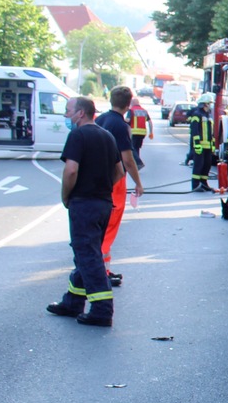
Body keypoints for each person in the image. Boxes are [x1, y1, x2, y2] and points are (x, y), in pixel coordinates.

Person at [47, 96, 123, 328]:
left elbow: (71, 171)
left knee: (88, 256)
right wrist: (101, 187)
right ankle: (73, 302)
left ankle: (102, 310)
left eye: (68, 111)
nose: (66, 116)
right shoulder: (106, 135)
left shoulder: (78, 135)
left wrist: (66, 196)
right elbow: (119, 171)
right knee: (86, 253)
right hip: (102, 204)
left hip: (84, 203)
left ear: (80, 113)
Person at [96, 86, 144, 287]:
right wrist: (138, 183)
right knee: (111, 224)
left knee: (100, 226)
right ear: (127, 105)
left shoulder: (99, 120)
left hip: (97, 178)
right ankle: (101, 271)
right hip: (114, 180)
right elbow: (127, 159)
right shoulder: (120, 125)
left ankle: (103, 269)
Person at [189, 92, 217, 192]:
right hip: (199, 146)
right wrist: (196, 144)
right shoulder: (197, 114)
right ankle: (195, 185)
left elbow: (211, 132)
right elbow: (194, 131)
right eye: (210, 103)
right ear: (205, 104)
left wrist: (213, 145)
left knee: (207, 165)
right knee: (198, 165)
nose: (211, 105)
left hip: (208, 146)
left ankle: (204, 183)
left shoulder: (209, 115)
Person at [126, 97, 153, 168]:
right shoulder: (144, 111)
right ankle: (137, 165)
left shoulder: (131, 110)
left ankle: (139, 162)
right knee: (137, 148)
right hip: (142, 133)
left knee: (131, 148)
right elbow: (150, 122)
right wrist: (151, 132)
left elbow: (128, 120)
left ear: (132, 103)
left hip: (133, 132)